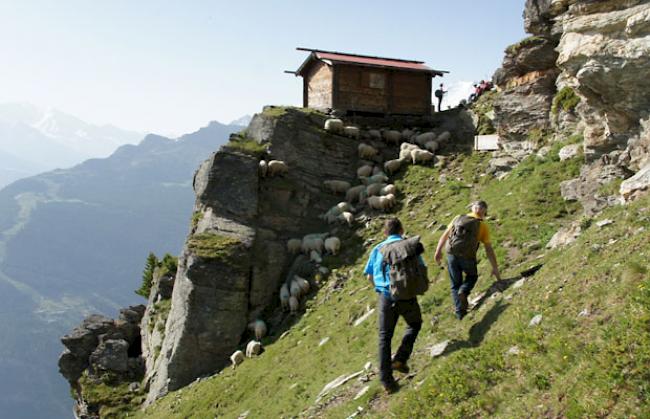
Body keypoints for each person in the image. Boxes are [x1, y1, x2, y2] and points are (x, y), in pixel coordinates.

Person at [364, 218, 424, 394]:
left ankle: (387, 382)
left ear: (385, 233)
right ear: (401, 229)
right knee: (415, 324)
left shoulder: (378, 249)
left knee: (385, 338)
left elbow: (369, 276)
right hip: (407, 296)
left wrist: (380, 288)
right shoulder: (409, 246)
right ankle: (400, 358)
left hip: (386, 297)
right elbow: (421, 267)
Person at [434, 200, 501, 320]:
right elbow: (488, 249)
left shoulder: (458, 218)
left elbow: (444, 236)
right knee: (472, 277)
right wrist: (495, 268)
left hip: (451, 254)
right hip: (467, 256)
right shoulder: (482, 225)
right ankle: (464, 291)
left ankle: (460, 313)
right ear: (484, 212)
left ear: (473, 208)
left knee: (455, 284)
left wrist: (438, 251)